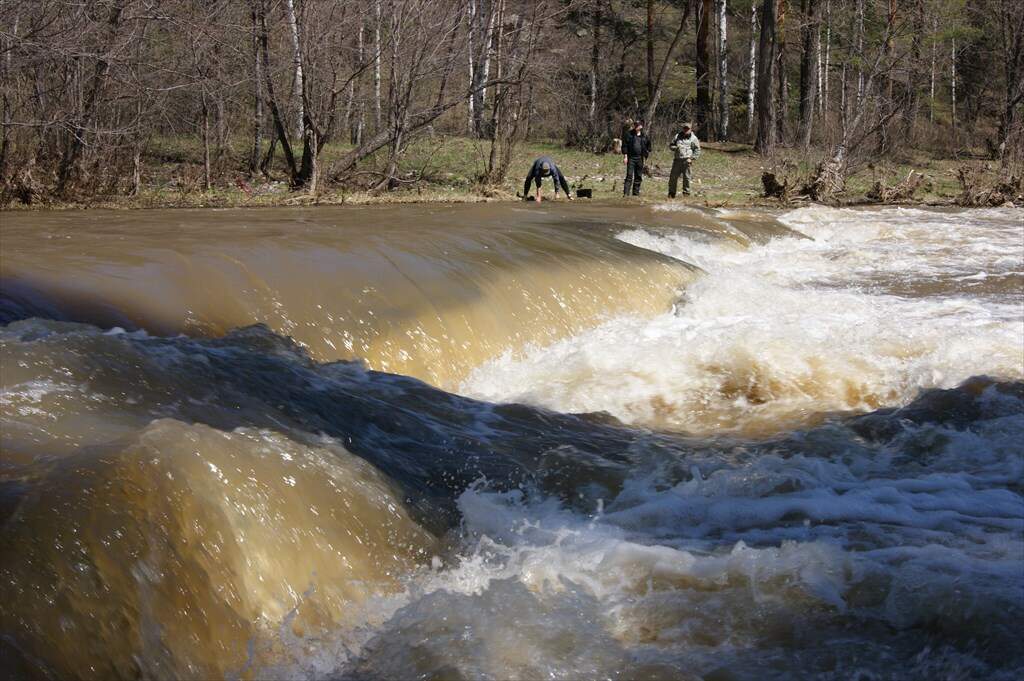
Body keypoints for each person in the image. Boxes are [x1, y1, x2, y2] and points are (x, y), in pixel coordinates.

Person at [668, 122, 701, 198]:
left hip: (687, 161)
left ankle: (686, 194)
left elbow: (697, 150)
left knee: (686, 178)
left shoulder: (694, 138)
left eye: (687, 128)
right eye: (684, 128)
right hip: (677, 160)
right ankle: (671, 194)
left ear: (690, 129)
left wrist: (691, 158)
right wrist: (674, 147)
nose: (686, 130)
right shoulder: (677, 136)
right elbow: (671, 145)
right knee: (673, 178)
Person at [622, 119, 651, 196]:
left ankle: (635, 194)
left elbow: (649, 146)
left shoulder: (644, 136)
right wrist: (625, 157)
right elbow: (625, 146)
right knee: (629, 176)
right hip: (631, 158)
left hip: (640, 158)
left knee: (638, 176)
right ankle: (626, 194)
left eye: (638, 125)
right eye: (635, 125)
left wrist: (646, 153)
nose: (636, 126)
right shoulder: (629, 134)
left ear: (641, 126)